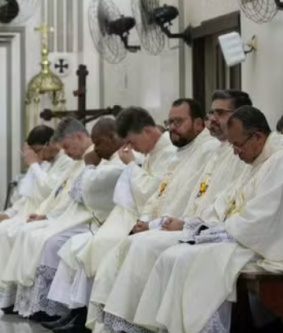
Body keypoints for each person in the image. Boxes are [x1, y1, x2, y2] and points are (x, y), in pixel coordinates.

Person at [92, 92, 253, 333]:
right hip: (193, 226)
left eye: (220, 113)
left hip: (211, 231)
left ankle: (144, 326)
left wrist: (181, 224)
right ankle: (128, 324)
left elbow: (223, 201)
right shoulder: (206, 151)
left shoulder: (218, 150)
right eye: (212, 113)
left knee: (145, 246)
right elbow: (175, 196)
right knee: (135, 243)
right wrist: (151, 221)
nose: (213, 119)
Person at [130, 106, 283, 333]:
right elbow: (225, 201)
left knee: (185, 258)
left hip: (257, 244)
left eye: (238, 145)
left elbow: (262, 219)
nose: (235, 152)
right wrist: (203, 225)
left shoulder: (278, 161)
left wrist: (219, 230)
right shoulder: (256, 159)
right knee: (175, 255)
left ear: (258, 136)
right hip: (240, 238)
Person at [0, 119, 89, 311]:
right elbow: (46, 197)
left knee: (12, 235)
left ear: (50, 144)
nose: (38, 156)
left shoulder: (67, 161)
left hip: (62, 217)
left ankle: (22, 302)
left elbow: (49, 191)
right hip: (43, 214)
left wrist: (34, 165)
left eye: (38, 151)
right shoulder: (63, 162)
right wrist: (8, 214)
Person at [8, 118, 126, 323]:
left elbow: (87, 193)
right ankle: (47, 306)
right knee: (39, 236)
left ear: (79, 137)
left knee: (54, 243)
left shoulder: (98, 158)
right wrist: (48, 214)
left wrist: (89, 168)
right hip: (77, 216)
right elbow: (61, 193)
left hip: (94, 218)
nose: (66, 152)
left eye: (67, 147)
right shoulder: (80, 160)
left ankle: (64, 311)